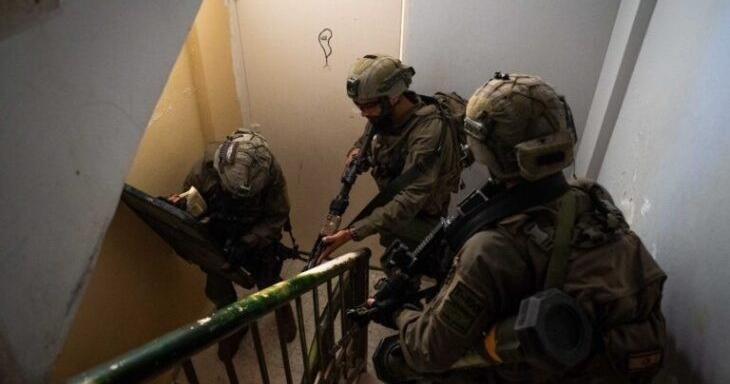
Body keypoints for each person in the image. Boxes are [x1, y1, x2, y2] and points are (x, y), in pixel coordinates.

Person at [372, 74, 667, 383]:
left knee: (394, 358)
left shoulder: (491, 249)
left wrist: (400, 311)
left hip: (551, 369)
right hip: (605, 359)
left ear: (484, 149)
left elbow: (429, 352)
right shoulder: (590, 197)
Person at [318, 54, 463, 264]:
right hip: (394, 210)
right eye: (358, 105)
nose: (363, 113)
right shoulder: (381, 114)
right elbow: (366, 140)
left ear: (393, 97)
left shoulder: (429, 130)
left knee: (406, 264)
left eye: (367, 106)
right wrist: (357, 153)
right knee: (391, 248)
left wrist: (353, 232)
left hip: (421, 217)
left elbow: (410, 198)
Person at [172, 128, 297, 360]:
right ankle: (234, 325)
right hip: (217, 236)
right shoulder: (201, 174)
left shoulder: (270, 170)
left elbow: (277, 215)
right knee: (219, 289)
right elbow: (190, 212)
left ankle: (282, 309)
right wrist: (182, 209)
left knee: (269, 279)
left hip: (257, 235)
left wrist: (248, 242)